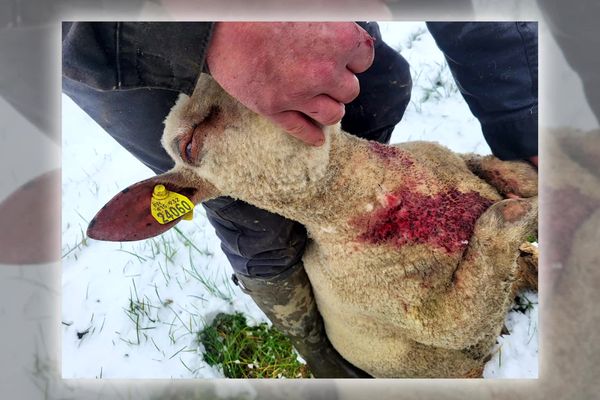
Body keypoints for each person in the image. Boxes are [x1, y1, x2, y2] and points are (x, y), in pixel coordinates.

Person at [62, 21, 538, 378]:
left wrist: (524, 131)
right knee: (255, 225)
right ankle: (329, 362)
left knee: (375, 92)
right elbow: (449, 326)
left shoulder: (417, 159)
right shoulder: (364, 268)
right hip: (120, 47)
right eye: (193, 143)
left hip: (295, 34)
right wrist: (209, 32)